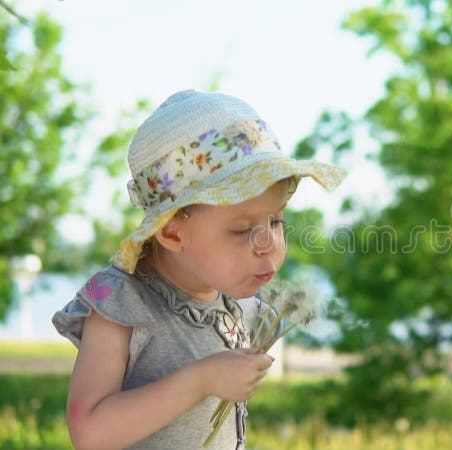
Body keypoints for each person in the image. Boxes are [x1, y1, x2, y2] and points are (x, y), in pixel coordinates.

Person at [52, 90, 346, 450]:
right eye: (241, 229)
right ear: (173, 230)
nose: (268, 243)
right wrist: (200, 380)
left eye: (276, 222)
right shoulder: (121, 302)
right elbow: (89, 432)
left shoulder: (230, 299)